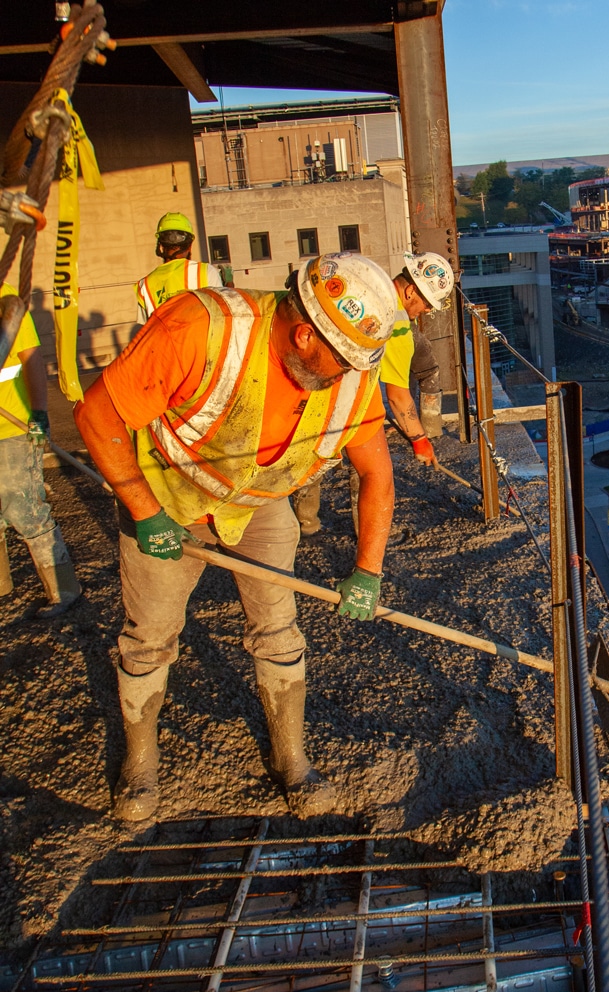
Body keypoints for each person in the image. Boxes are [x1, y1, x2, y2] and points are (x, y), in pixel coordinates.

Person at [75, 252, 398, 823]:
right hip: (168, 500)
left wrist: (369, 568)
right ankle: (141, 767)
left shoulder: (353, 377)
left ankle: (292, 761)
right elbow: (97, 416)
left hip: (257, 507)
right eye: (340, 363)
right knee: (149, 636)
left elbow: (375, 473)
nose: (346, 376)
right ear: (303, 335)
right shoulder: (199, 330)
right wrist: (145, 513)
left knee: (279, 629)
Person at [293, 251, 455, 536]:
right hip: (343, 397)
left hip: (308, 380)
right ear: (410, 290)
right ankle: (365, 533)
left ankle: (306, 524)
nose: (427, 311)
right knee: (368, 469)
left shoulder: (365, 285)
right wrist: (419, 440)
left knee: (311, 455)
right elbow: (398, 397)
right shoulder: (399, 324)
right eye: (427, 304)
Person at [0, 284, 81, 617]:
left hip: (11, 428)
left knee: (25, 510)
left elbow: (30, 360)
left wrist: (39, 413)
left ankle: (64, 591)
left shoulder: (6, 300)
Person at [134, 212, 233, 324]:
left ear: (160, 246)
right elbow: (226, 313)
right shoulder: (206, 272)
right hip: (200, 341)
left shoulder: (145, 285)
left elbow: (146, 329)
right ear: (190, 245)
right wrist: (229, 284)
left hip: (164, 341)